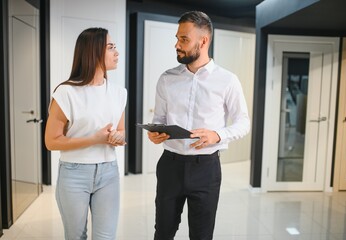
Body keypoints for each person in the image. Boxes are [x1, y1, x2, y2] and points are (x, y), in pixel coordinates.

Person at [147, 11, 250, 240]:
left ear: (203, 41)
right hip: (170, 167)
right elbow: (159, 120)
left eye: (184, 39)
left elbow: (244, 122)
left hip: (206, 169)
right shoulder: (166, 78)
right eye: (177, 38)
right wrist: (155, 132)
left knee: (202, 236)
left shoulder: (227, 80)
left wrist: (217, 135)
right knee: (163, 232)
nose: (177, 44)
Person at [44, 27, 127, 240]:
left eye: (115, 47)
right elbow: (52, 142)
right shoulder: (66, 92)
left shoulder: (119, 93)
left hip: (109, 173)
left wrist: (118, 137)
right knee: (75, 236)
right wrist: (94, 139)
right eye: (110, 47)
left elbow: (121, 130)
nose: (117, 52)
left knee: (105, 237)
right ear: (92, 52)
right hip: (74, 174)